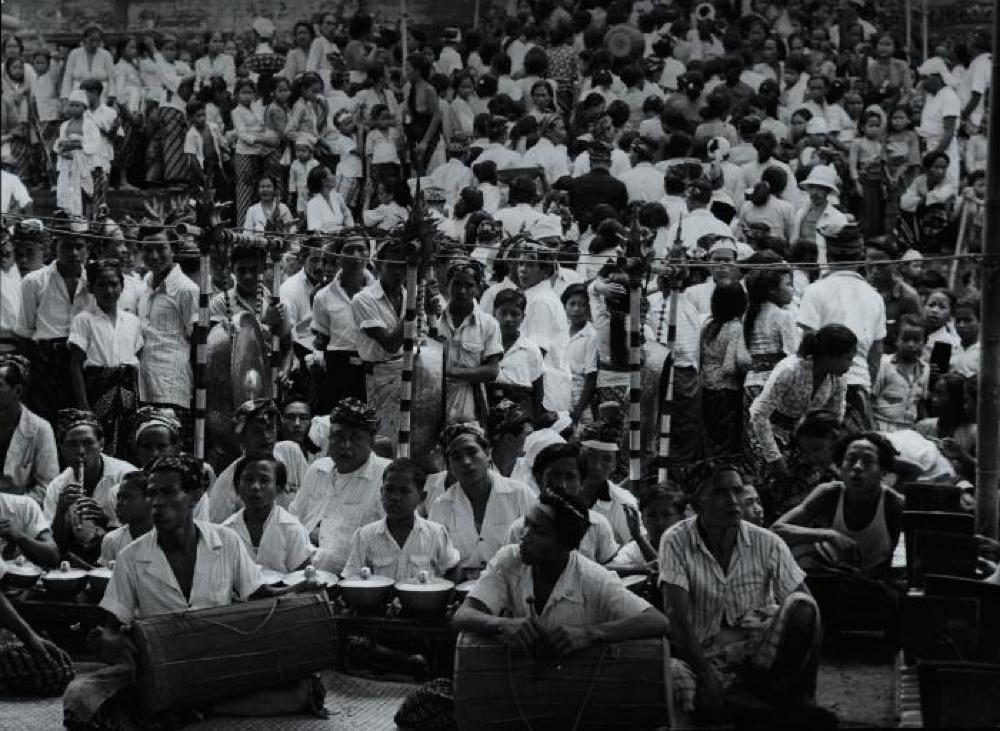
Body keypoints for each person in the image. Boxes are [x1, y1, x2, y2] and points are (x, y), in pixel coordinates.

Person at [63, 453, 325, 729]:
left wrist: (301, 589)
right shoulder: (131, 556)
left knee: (303, 688)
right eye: (152, 493)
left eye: (168, 492)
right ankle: (197, 705)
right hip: (161, 665)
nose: (157, 503)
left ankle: (195, 705)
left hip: (219, 658)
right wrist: (110, 640)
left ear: (194, 496)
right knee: (79, 698)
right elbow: (112, 626)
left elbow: (259, 596)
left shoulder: (226, 541)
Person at [660, 463, 830, 723]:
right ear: (697, 501)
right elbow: (677, 618)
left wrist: (806, 690)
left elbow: (809, 613)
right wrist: (706, 675)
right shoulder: (675, 540)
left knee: (802, 605)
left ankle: (782, 703)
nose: (732, 501)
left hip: (759, 657)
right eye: (719, 492)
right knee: (676, 681)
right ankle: (772, 712)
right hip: (705, 657)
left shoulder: (768, 542)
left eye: (737, 491)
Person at [453, 488, 669, 656]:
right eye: (526, 524)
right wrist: (502, 625)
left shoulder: (592, 578)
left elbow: (657, 621)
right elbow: (463, 615)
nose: (524, 535)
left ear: (565, 544)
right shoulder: (510, 559)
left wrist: (590, 634)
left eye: (538, 531)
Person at [772, 433, 904, 634]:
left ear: (882, 471)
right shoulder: (829, 493)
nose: (857, 467)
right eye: (850, 460)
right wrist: (828, 535)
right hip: (827, 581)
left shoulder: (894, 504)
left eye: (867, 462)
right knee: (801, 563)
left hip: (868, 589)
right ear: (839, 467)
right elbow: (777, 531)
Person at [797, 222, 886, 432]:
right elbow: (876, 353)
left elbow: (807, 343)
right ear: (861, 258)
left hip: (821, 386)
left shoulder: (814, 291)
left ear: (828, 257)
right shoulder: (875, 297)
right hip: (856, 382)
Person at [290, 399, 389, 575]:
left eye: (355, 438)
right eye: (339, 436)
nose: (346, 445)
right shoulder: (317, 470)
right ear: (329, 437)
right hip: (302, 573)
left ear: (371, 441)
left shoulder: (386, 475)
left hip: (356, 581)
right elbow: (293, 520)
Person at [428, 422, 535, 580]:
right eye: (456, 457)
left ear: (488, 453)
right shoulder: (442, 505)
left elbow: (536, 545)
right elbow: (434, 559)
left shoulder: (520, 494)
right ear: (449, 465)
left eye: (472, 452)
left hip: (512, 585)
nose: (466, 462)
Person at [749, 324, 855, 482]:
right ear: (831, 356)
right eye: (848, 358)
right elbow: (759, 415)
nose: (851, 364)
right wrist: (774, 457)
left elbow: (834, 420)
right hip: (770, 433)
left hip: (805, 439)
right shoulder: (790, 369)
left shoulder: (838, 379)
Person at [15, 219, 93, 424]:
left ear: (88, 248)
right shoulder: (34, 281)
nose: (74, 253)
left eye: (79, 246)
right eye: (67, 246)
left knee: (83, 424)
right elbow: (24, 334)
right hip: (47, 362)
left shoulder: (95, 281)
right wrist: (25, 380)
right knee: (46, 424)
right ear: (54, 246)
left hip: (85, 361)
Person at [68, 259, 143, 459]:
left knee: (127, 447)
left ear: (122, 286)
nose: (109, 290)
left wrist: (137, 400)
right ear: (91, 288)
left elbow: (135, 365)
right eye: (102, 285)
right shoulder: (84, 320)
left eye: (114, 284)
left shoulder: (132, 321)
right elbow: (75, 365)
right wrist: (85, 408)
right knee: (98, 446)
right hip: (97, 391)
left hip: (126, 394)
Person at [342, 457, 460, 580]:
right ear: (382, 493)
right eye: (389, 489)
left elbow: (452, 568)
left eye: (404, 491)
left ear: (421, 497)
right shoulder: (365, 535)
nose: (395, 497)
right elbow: (352, 578)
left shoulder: (436, 533)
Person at [136, 223, 200, 451]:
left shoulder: (186, 289)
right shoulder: (144, 285)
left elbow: (197, 343)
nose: (154, 256)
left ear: (173, 249)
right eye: (147, 249)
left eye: (160, 248)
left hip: (172, 388)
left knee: (172, 454)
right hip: (144, 385)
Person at [44, 410, 137, 564]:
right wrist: (61, 512)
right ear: (62, 448)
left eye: (88, 443)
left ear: (101, 444)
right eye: (72, 445)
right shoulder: (58, 485)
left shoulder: (126, 476)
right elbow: (52, 546)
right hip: (75, 562)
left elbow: (140, 533)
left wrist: (105, 520)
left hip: (122, 560)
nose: (80, 451)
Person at [505, 442, 619, 564]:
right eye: (555, 475)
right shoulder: (519, 529)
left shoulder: (597, 525)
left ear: (581, 483)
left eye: (570, 477)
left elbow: (610, 571)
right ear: (539, 479)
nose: (562, 485)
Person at [207, 399, 309, 523]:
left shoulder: (292, 454)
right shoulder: (226, 484)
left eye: (270, 428)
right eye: (257, 431)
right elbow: (217, 533)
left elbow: (313, 501)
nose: (266, 436)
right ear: (242, 438)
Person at [222, 452, 314, 573]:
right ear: (237, 487)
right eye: (249, 480)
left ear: (279, 488)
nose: (255, 486)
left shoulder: (292, 530)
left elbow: (303, 580)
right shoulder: (226, 530)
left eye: (264, 480)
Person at [352, 238, 407, 439]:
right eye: (391, 265)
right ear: (377, 265)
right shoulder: (363, 299)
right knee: (384, 437)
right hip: (381, 377)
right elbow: (391, 343)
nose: (398, 272)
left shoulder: (410, 295)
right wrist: (413, 310)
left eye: (403, 266)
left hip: (412, 374)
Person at [312, 232, 374, 409]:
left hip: (373, 370)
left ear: (368, 254)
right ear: (338, 256)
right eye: (349, 250)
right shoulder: (322, 297)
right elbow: (321, 339)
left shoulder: (380, 293)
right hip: (338, 371)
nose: (355, 255)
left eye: (361, 249)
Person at [437, 257, 502, 424]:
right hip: (432, 397)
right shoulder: (433, 319)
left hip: (469, 402)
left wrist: (451, 372)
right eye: (457, 284)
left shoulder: (489, 324)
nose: (462, 291)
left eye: (469, 285)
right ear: (447, 285)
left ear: (478, 289)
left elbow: (492, 370)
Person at [0, 355, 58, 503]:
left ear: (18, 391)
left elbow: (47, 487)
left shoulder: (41, 429)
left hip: (21, 512)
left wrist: (13, 510)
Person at [871, 315, 930, 432]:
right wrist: (872, 427)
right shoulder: (884, 364)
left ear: (924, 342)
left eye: (916, 340)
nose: (911, 345)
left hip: (909, 429)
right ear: (896, 339)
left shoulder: (925, 368)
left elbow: (919, 403)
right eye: (906, 340)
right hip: (882, 424)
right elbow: (870, 399)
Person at [99, 471, 152, 566]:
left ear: (148, 500)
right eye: (118, 497)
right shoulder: (112, 540)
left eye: (127, 496)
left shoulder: (166, 540)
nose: (119, 503)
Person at [305, 164, 354, 232]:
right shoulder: (313, 204)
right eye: (330, 174)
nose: (334, 176)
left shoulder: (337, 197)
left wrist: (350, 229)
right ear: (323, 180)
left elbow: (347, 214)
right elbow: (315, 230)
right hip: (326, 240)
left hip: (343, 238)